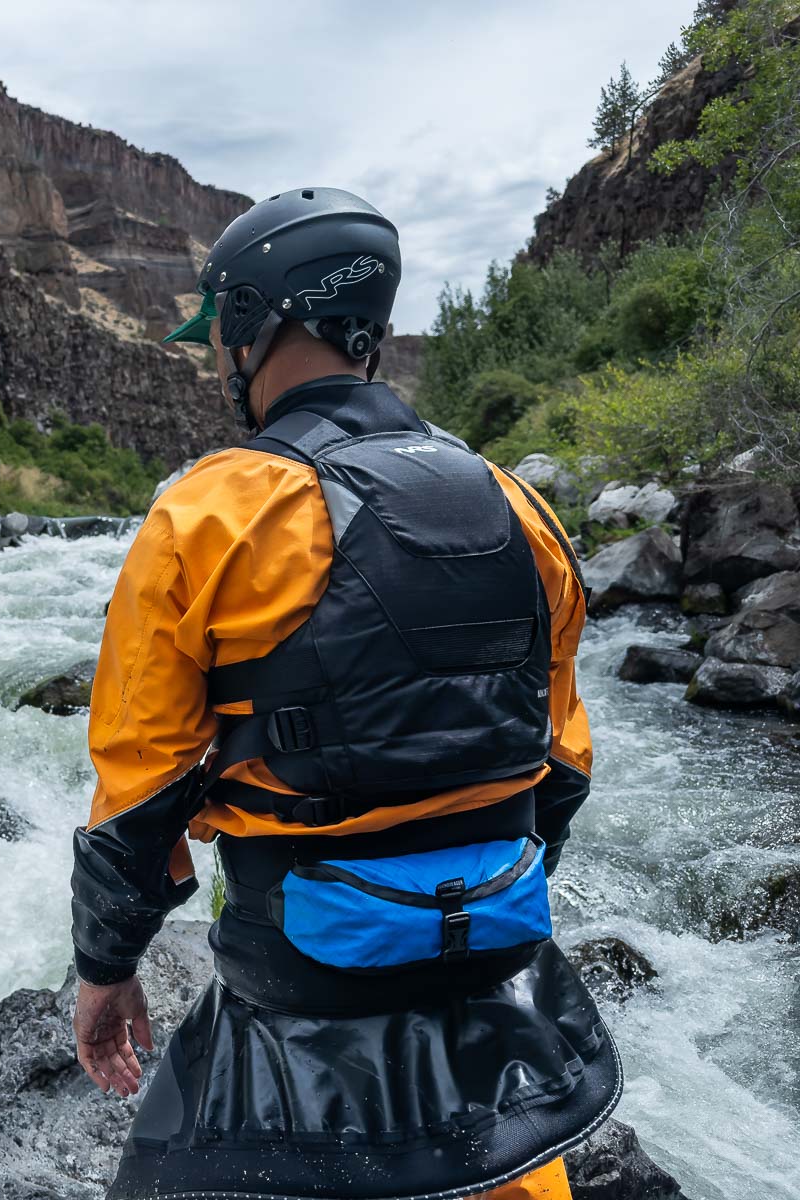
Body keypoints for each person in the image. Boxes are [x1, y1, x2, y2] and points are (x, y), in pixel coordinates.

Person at [70, 188, 619, 1200]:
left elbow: (138, 793)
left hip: (301, 973)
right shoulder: (518, 504)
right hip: (494, 948)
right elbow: (561, 762)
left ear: (249, 324)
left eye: (219, 334)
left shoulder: (202, 514)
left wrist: (104, 970)